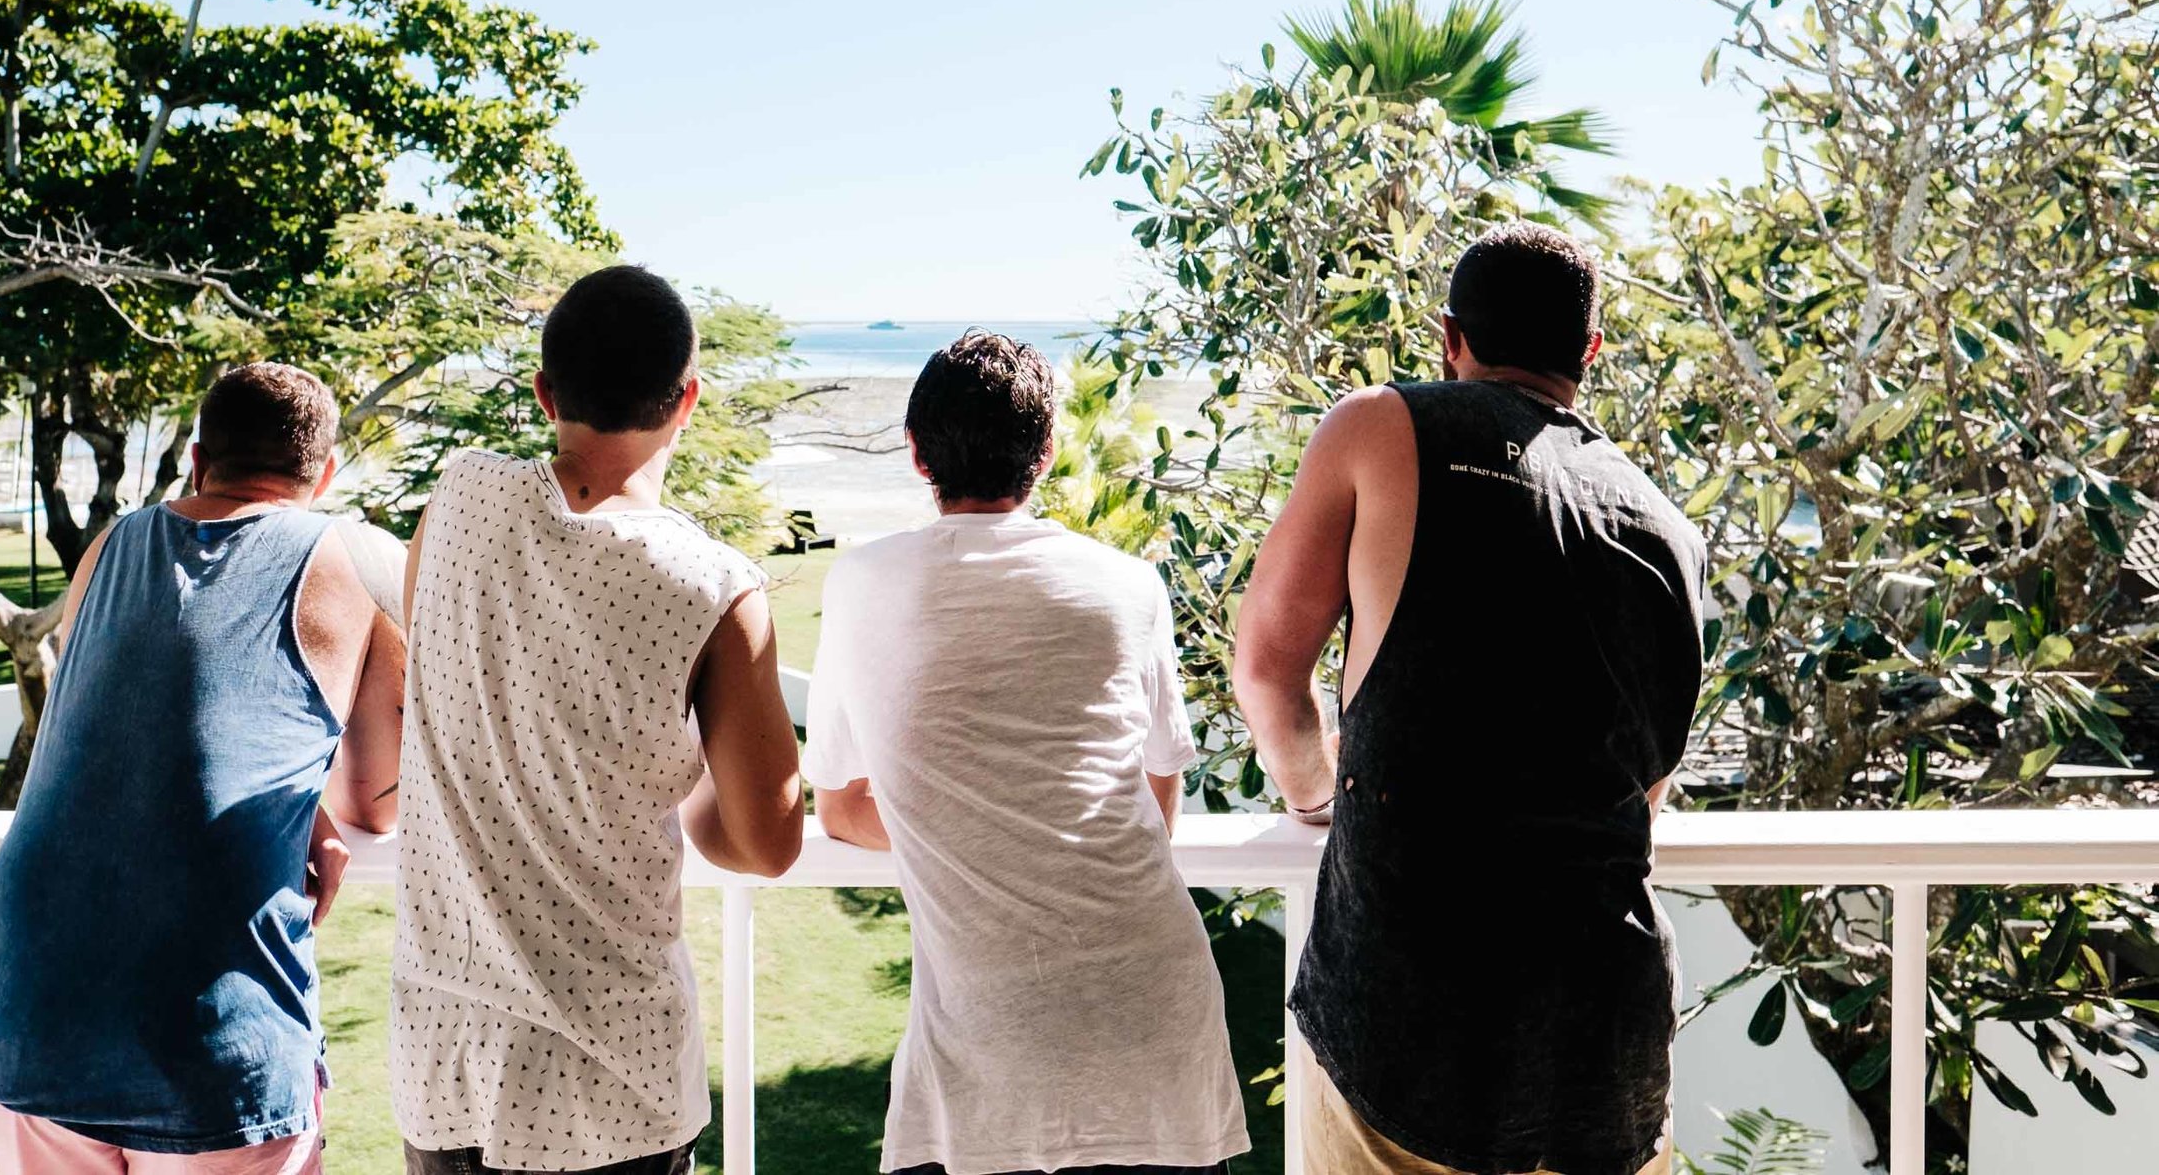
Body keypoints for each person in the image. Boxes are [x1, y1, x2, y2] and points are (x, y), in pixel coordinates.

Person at [1233, 222, 1707, 1175]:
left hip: (1411, 1011)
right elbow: (1642, 790)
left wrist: (1316, 798)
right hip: (1601, 1032)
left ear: (1450, 337)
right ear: (1590, 352)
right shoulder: (1669, 527)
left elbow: (1267, 667)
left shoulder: (1378, 427)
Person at [391, 264, 804, 1175]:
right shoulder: (714, 585)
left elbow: (440, 680)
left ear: (544, 393)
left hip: (444, 1064)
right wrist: (690, 781)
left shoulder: (458, 495)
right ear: (688, 399)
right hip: (609, 1088)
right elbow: (768, 840)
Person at [810, 331, 1250, 1175]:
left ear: (914, 451)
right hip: (1154, 1016)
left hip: (989, 1040)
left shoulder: (863, 581)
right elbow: (1155, 800)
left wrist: (964, 830)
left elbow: (842, 808)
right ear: (1046, 454)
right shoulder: (1129, 584)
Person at [0, 362, 409, 1173]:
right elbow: (378, 802)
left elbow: (127, 719)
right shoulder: (360, 558)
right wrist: (302, 796)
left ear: (199, 459)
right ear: (326, 475)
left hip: (21, 1029)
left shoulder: (109, 544)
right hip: (215, 1047)